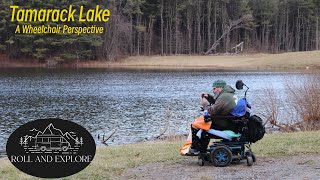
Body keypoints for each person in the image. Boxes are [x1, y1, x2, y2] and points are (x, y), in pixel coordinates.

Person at [179, 80, 237, 155]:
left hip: (225, 123)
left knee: (196, 126)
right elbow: (218, 103)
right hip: (229, 121)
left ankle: (196, 149)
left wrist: (205, 103)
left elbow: (211, 111)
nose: (213, 91)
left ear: (220, 87)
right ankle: (200, 149)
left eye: (214, 89)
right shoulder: (228, 94)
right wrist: (209, 97)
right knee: (202, 123)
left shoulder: (224, 97)